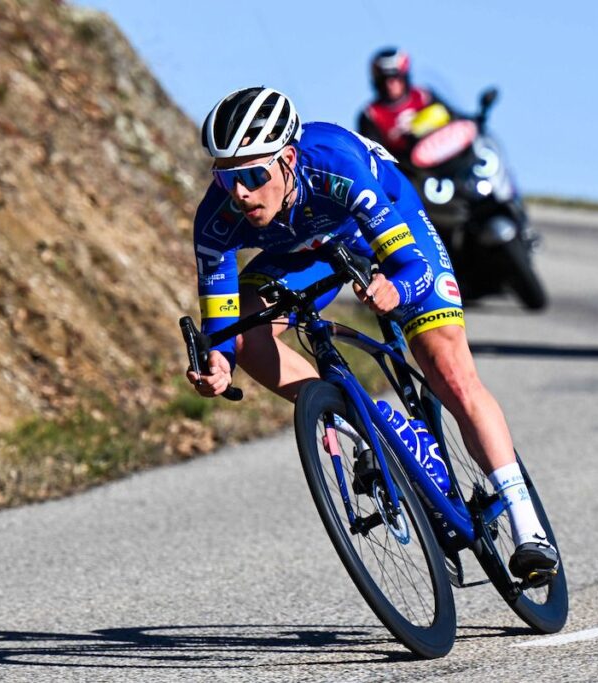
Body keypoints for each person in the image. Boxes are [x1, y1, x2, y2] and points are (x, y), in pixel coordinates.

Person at [187, 86, 557, 579]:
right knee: (244, 337)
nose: (240, 193)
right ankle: (360, 418)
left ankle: (527, 524)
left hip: (382, 232)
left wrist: (396, 292)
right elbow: (222, 318)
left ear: (289, 159)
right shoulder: (216, 218)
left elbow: (411, 267)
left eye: (254, 175)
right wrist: (219, 362)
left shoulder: (336, 168)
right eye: (227, 177)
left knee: (450, 373)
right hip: (300, 255)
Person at [356, 47, 457, 161]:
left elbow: (455, 118)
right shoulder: (371, 114)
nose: (391, 85)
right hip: (410, 172)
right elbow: (373, 155)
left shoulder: (423, 96)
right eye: (385, 81)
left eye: (395, 78)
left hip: (448, 158)